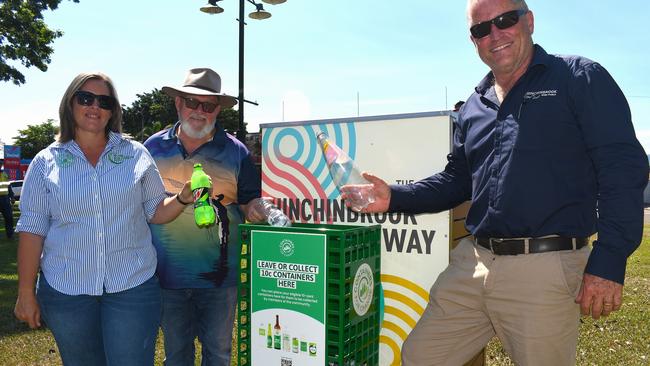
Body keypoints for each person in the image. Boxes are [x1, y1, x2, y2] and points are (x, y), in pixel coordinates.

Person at [342, 1, 649, 365]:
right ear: (473, 40)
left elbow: (623, 169)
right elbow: (457, 180)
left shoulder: (578, 78)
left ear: (529, 21)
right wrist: (393, 196)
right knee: (421, 355)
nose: (495, 34)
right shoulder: (474, 105)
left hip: (544, 268)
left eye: (505, 20)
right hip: (473, 262)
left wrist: (609, 260)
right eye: (481, 29)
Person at [13, 72, 195, 366]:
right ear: (70, 104)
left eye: (104, 101)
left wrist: (184, 198)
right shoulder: (45, 162)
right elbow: (32, 230)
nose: (94, 106)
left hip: (132, 287)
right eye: (85, 98)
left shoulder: (136, 154)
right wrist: (25, 292)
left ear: (113, 111)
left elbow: (156, 210)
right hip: (66, 291)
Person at [144, 67, 264, 366]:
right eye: (191, 102)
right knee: (177, 355)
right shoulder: (151, 148)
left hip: (220, 280)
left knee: (218, 353)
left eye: (208, 105)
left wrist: (257, 209)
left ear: (217, 111)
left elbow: (250, 202)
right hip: (167, 277)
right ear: (178, 103)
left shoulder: (236, 152)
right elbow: (140, 207)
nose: (199, 111)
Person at [0, 169, 14, 239]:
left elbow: (8, 186)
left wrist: (12, 197)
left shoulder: (5, 174)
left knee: (9, 217)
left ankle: (10, 235)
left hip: (5, 199)